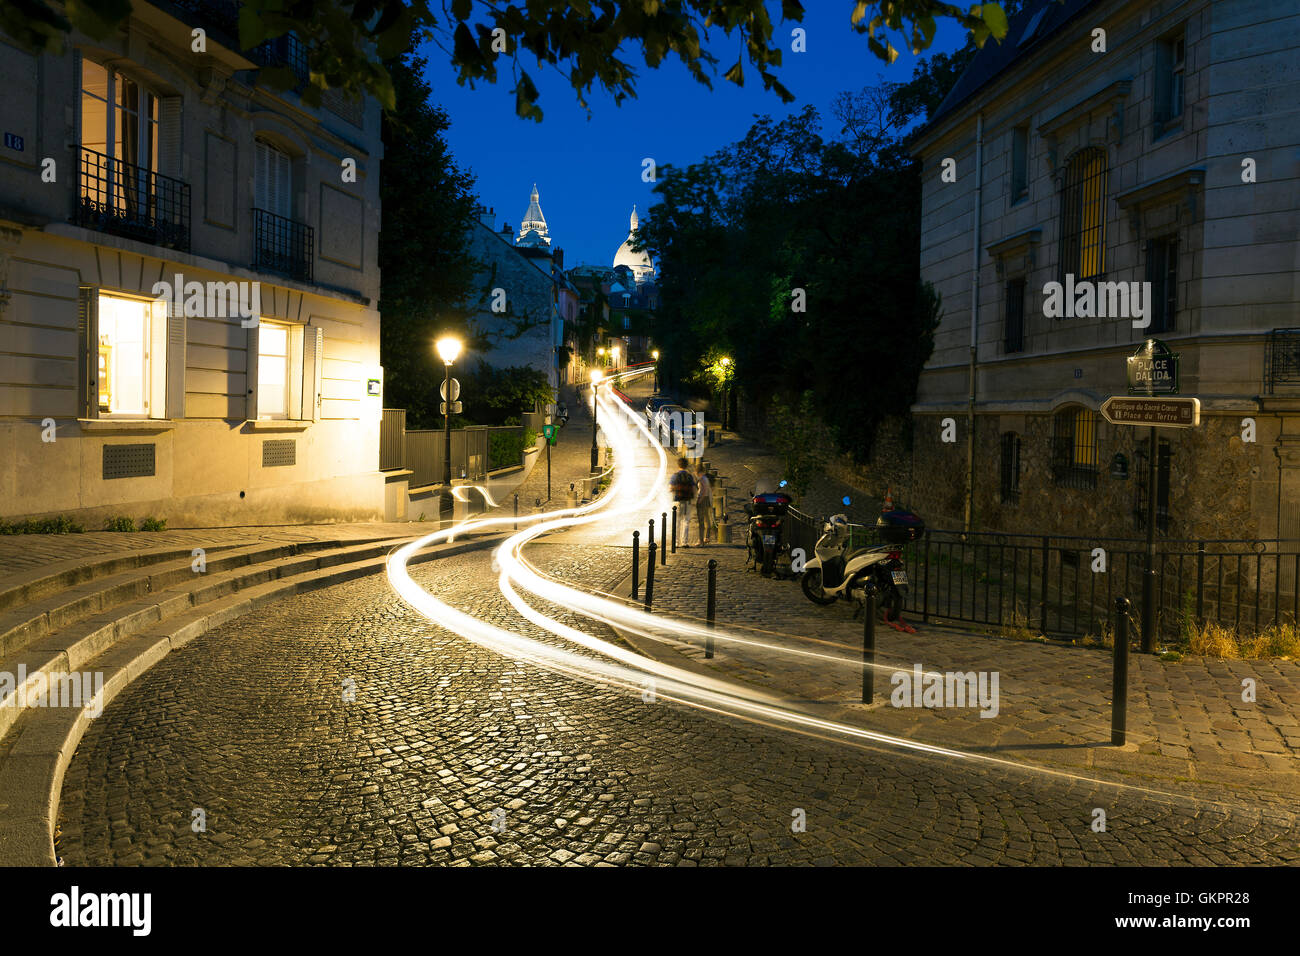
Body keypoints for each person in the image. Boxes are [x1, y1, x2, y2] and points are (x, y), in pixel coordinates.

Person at [668, 456, 696, 546]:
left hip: (677, 501)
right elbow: (693, 488)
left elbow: (670, 488)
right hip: (687, 501)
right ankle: (685, 542)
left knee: (676, 522)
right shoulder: (689, 476)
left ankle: (676, 542)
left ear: (678, 465)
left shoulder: (675, 476)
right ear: (687, 465)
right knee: (686, 521)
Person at [694, 462, 714, 546]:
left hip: (703, 500)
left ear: (698, 472)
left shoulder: (702, 479)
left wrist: (699, 500)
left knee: (701, 521)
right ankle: (707, 537)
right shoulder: (705, 478)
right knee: (707, 519)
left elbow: (704, 491)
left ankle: (701, 541)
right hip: (707, 500)